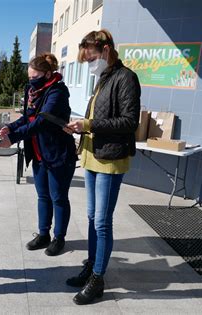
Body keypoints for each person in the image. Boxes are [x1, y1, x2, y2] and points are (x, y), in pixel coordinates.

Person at [64, 29, 141, 305]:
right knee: (91, 218)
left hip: (111, 159)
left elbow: (129, 122)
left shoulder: (126, 78)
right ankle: (91, 266)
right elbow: (97, 117)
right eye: (85, 60)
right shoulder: (103, 79)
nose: (88, 63)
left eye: (91, 57)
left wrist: (89, 125)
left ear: (106, 50)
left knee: (102, 222)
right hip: (93, 155)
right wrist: (79, 127)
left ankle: (98, 279)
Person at [0, 53, 77, 256]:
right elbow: (27, 117)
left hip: (58, 153)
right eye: (29, 77)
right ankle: (44, 234)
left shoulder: (57, 92)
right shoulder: (32, 91)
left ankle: (59, 237)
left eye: (35, 77)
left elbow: (42, 121)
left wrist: (13, 138)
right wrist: (10, 127)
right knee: (43, 196)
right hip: (38, 152)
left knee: (58, 197)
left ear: (48, 73)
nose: (31, 81)